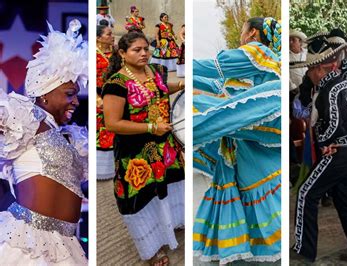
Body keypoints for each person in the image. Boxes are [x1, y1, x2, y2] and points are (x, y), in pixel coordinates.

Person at [193, 17, 282, 264]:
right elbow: (218, 85)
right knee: (252, 181)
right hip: (249, 141)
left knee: (198, 110)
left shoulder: (258, 51)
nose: (241, 36)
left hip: (255, 125)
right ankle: (253, 245)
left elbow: (214, 67)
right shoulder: (263, 63)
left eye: (243, 30)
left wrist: (171, 68)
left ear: (253, 33)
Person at [0, 20, 88, 264]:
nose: (76, 101)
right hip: (28, 242)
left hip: (66, 244)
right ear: (44, 95)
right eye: (69, 94)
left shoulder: (69, 136)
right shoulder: (24, 116)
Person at [102, 31, 185, 266]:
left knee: (170, 184)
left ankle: (172, 225)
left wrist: (182, 85)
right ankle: (152, 248)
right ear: (122, 53)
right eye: (136, 50)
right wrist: (150, 127)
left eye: (146, 48)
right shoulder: (116, 84)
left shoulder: (155, 70)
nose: (143, 53)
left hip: (164, 145)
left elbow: (159, 88)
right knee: (144, 197)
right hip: (135, 153)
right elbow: (113, 123)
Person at [292, 32, 347, 263]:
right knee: (343, 202)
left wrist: (327, 143)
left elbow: (333, 124)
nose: (309, 74)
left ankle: (303, 253)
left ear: (320, 69)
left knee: (306, 193)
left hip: (340, 152)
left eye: (310, 70)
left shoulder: (328, 90)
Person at [96, 25, 115, 180]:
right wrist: (98, 99)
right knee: (103, 133)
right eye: (109, 34)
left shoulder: (115, 53)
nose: (112, 36)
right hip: (100, 98)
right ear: (98, 38)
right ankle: (101, 170)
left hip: (115, 96)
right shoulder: (94, 55)